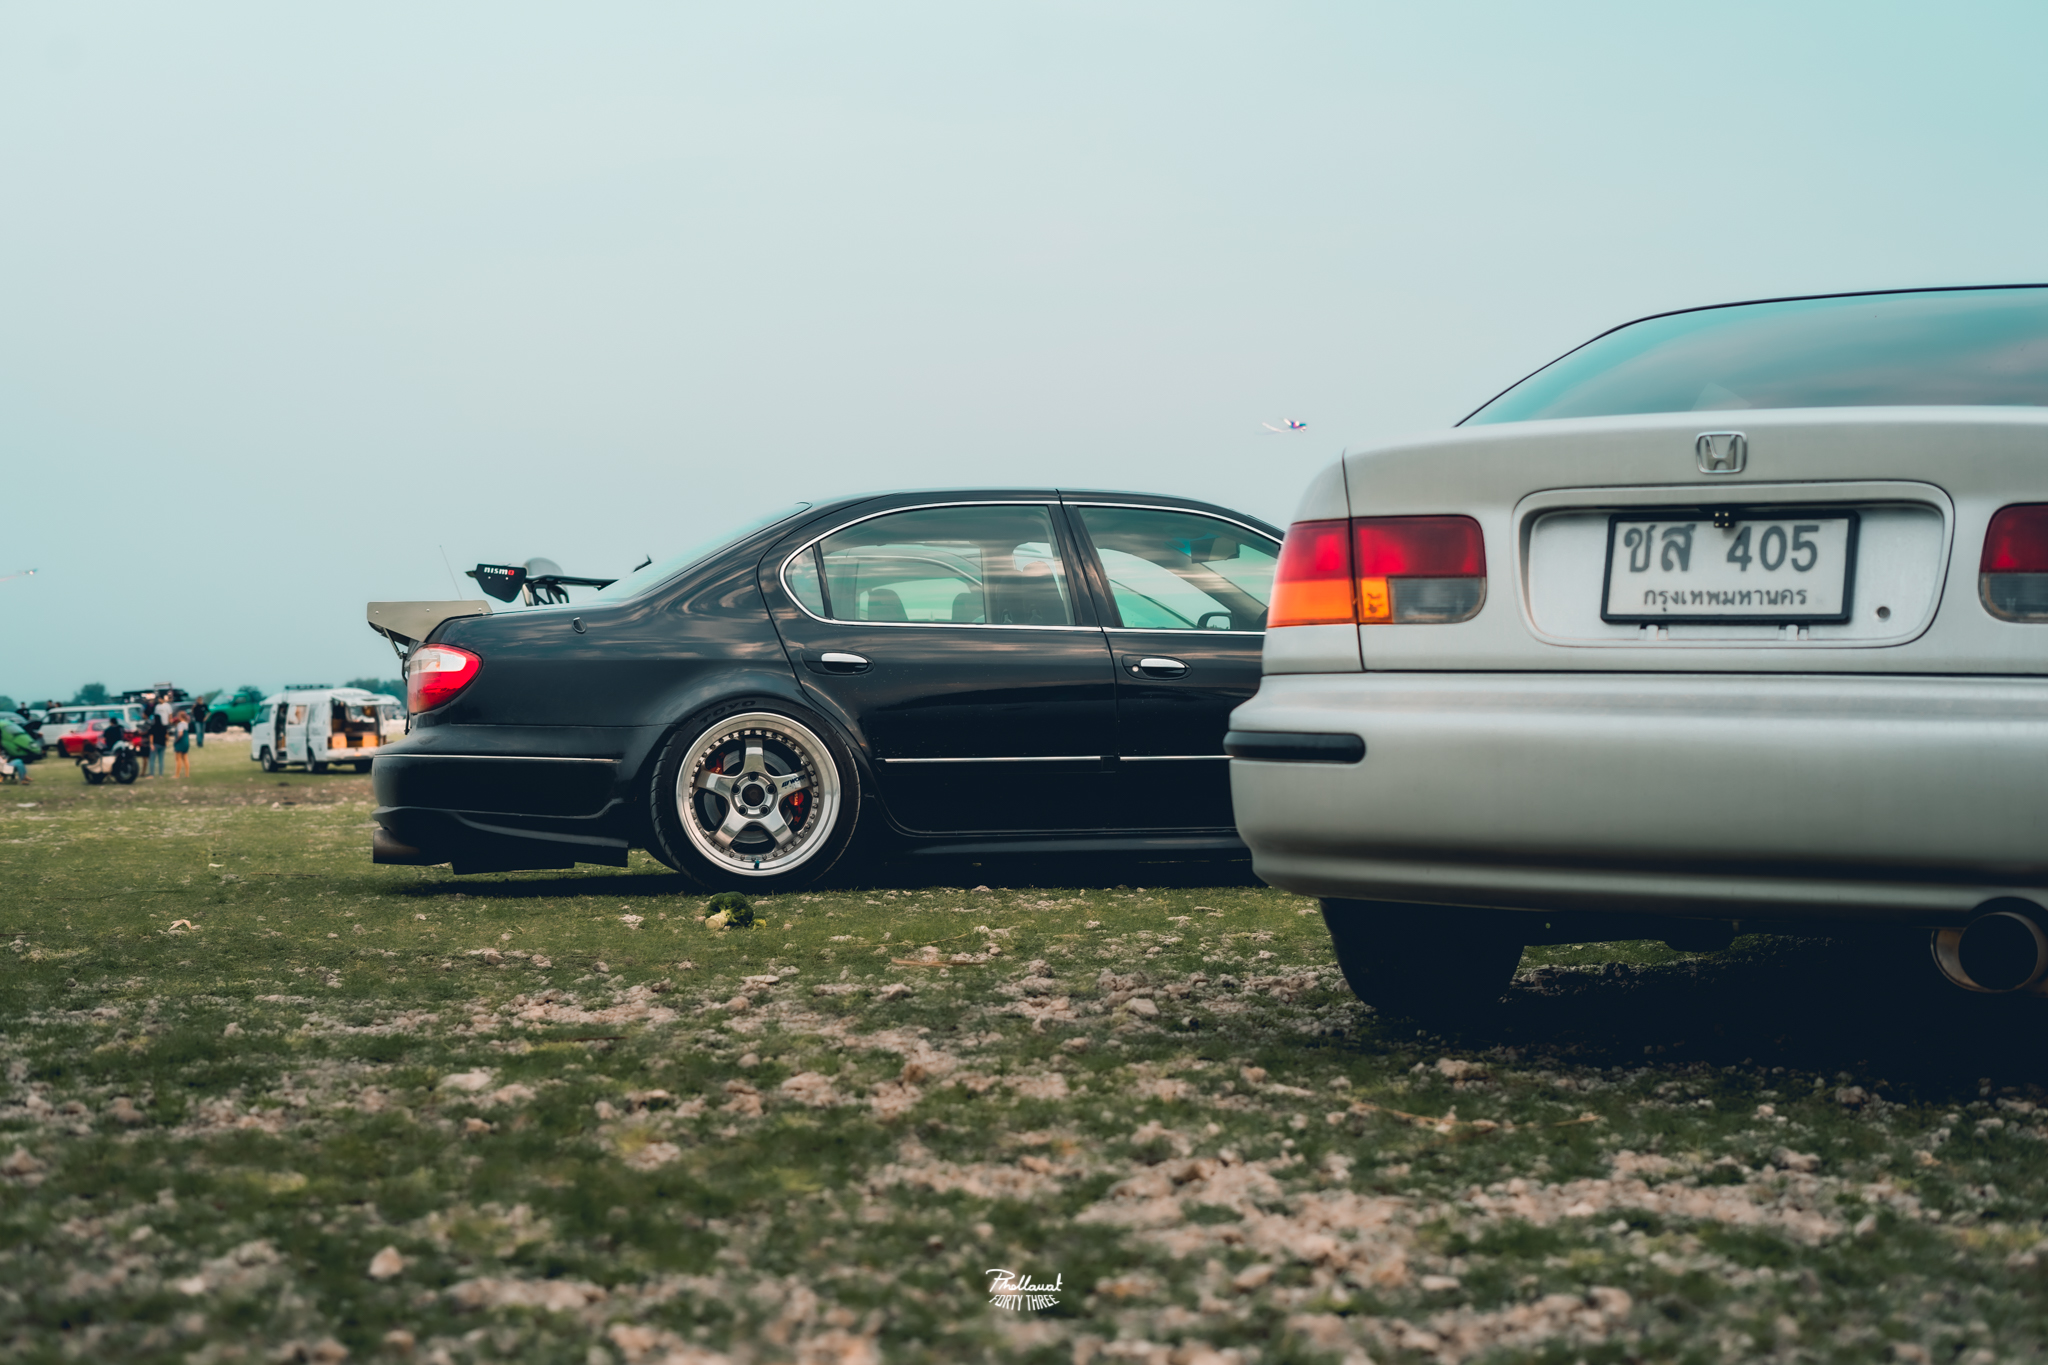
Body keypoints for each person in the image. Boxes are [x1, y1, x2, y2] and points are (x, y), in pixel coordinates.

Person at [147, 711, 168, 777]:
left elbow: (151, 736)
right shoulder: (163, 727)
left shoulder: (153, 727)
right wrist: (166, 742)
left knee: (152, 760)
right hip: (162, 744)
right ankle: (161, 775)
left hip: (155, 744)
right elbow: (166, 736)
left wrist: (151, 744)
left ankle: (151, 774)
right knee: (161, 760)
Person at [172, 712, 192, 777]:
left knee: (178, 759)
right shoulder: (186, 724)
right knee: (185, 758)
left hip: (180, 742)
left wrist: (176, 741)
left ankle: (177, 775)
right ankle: (187, 774)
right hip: (186, 742)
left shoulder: (180, 724)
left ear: (180, 717)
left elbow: (180, 734)